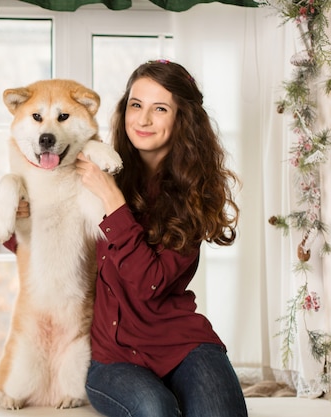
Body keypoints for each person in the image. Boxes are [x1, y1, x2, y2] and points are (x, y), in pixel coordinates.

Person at [73, 60, 247, 417]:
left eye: (160, 109)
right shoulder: (100, 172)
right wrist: (21, 222)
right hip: (113, 358)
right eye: (136, 105)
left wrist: (112, 202)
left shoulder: (196, 192)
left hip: (182, 344)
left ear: (182, 119)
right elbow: (53, 244)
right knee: (157, 409)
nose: (143, 119)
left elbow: (149, 284)